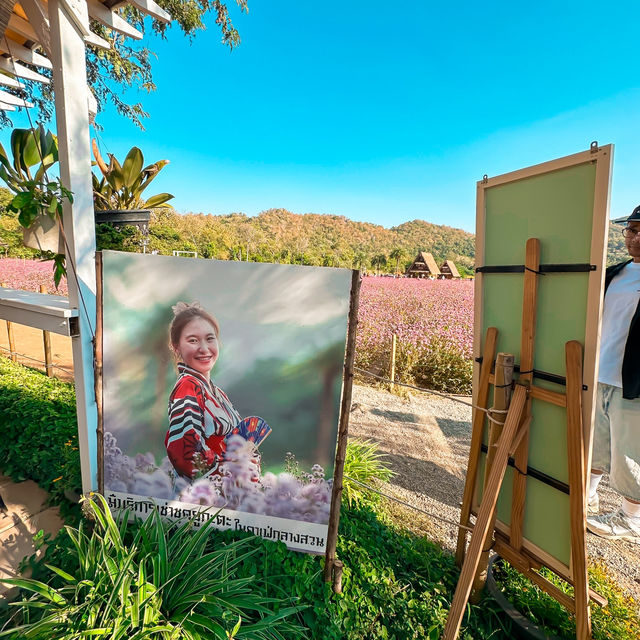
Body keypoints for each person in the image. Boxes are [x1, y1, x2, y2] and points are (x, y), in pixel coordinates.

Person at [586, 205, 640, 543]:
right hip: (601, 372)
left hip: (633, 382)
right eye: (630, 230)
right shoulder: (614, 273)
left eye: (639, 230)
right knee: (595, 444)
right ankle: (587, 496)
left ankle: (632, 519)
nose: (632, 236)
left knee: (628, 451)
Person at [165, 302, 243, 479]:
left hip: (231, 489)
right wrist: (227, 470)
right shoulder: (187, 387)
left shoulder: (219, 393)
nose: (204, 349)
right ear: (176, 346)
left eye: (210, 338)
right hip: (204, 495)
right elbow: (186, 451)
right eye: (193, 340)